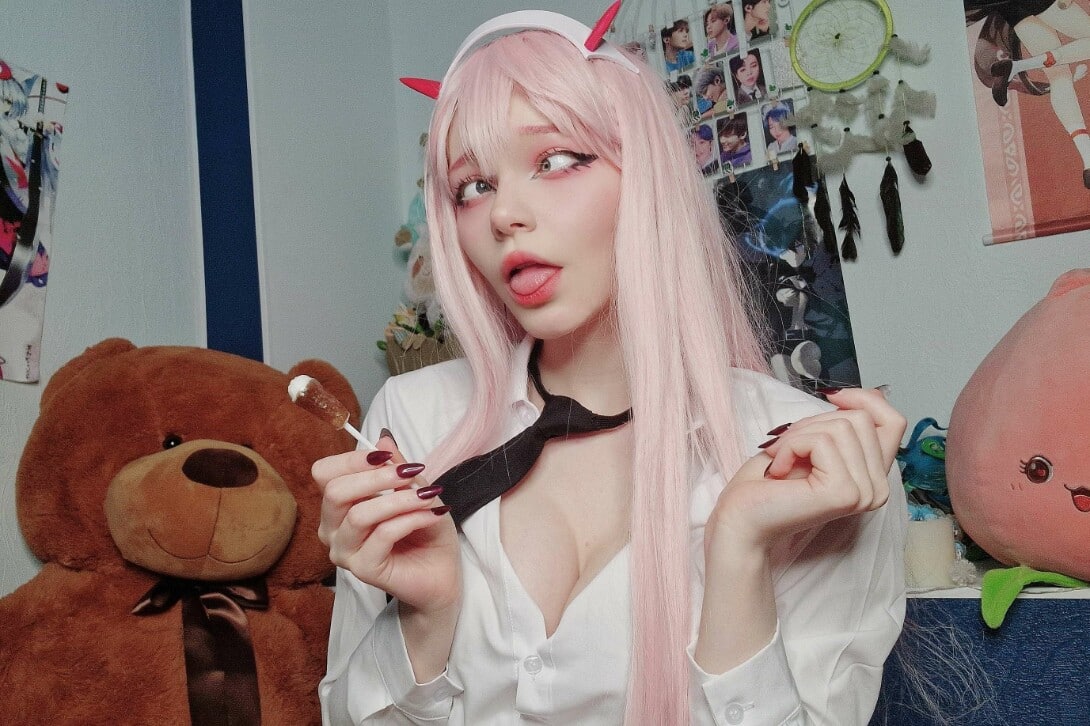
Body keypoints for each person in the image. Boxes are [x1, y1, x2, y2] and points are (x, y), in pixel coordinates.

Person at [316, 8, 907, 725]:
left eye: (556, 160)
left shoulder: (807, 465)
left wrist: (737, 553)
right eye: (473, 187)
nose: (504, 214)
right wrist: (424, 619)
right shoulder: (411, 420)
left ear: (648, 176)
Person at [966, 0, 1090, 187]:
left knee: (1058, 75)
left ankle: (1088, 157)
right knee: (1059, 74)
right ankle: (1018, 66)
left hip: (1009, 7)